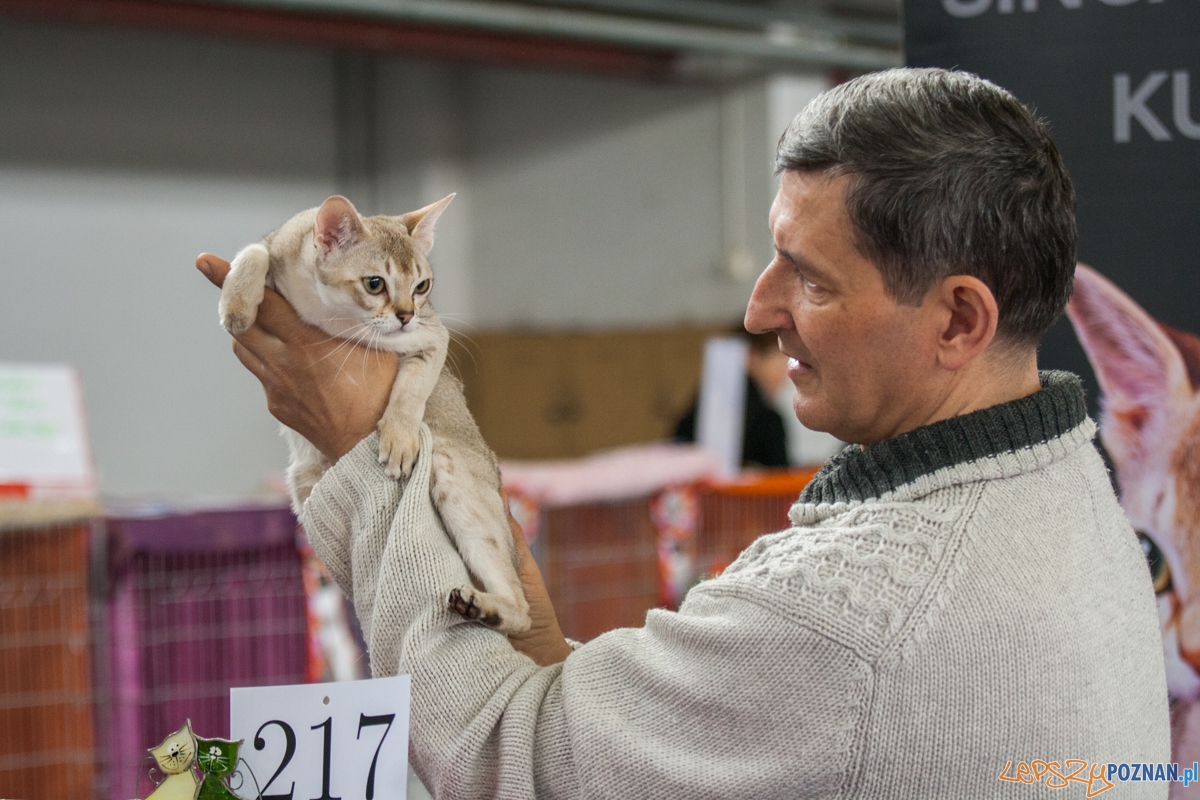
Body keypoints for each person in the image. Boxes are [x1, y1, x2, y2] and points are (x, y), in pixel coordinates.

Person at [196, 68, 1170, 798]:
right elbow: (576, 717)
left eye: (809, 276)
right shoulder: (1075, 489)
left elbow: (495, 751)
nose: (757, 309)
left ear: (959, 320)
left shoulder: (855, 619)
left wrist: (374, 452)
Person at [673, 328, 791, 469]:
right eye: (783, 362)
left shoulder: (701, 407)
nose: (785, 376)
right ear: (751, 356)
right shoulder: (767, 420)